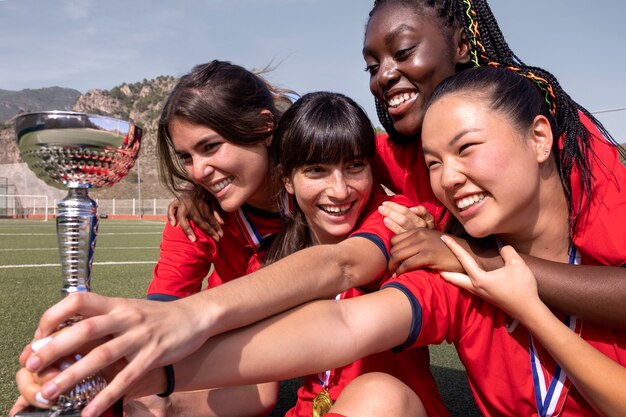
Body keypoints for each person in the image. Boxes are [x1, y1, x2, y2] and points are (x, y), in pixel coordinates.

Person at [22, 66, 625, 417]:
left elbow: (342, 268)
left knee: (377, 394)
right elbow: (342, 327)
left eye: (465, 150)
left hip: (380, 401)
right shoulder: (454, 274)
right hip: (311, 397)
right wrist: (118, 370)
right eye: (435, 163)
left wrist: (526, 304)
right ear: (290, 175)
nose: (447, 178)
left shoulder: (397, 217)